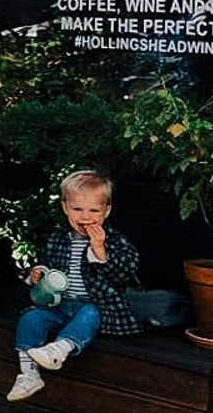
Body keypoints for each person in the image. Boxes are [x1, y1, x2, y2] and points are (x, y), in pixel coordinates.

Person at [8, 170, 142, 401]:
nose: (85, 217)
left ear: (106, 211)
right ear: (65, 208)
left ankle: (59, 349)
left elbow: (125, 273)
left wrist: (100, 250)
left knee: (89, 313)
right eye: (77, 209)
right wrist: (36, 275)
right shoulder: (57, 238)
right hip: (61, 304)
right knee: (31, 318)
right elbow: (43, 265)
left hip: (96, 306)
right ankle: (29, 374)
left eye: (93, 211)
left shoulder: (114, 241)